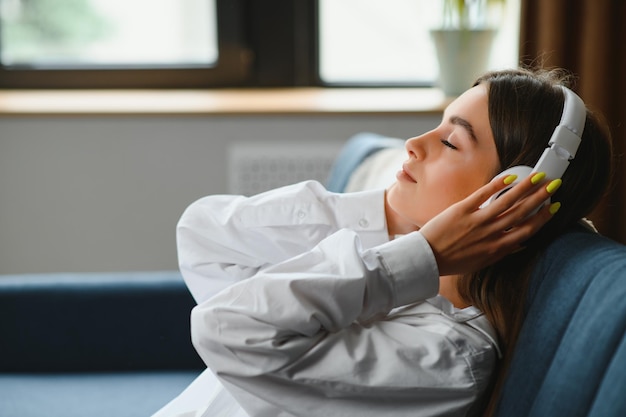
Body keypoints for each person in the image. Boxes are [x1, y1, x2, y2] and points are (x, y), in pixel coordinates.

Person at [159, 68, 613, 417]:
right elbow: (203, 235)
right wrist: (392, 219)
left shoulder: (447, 361)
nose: (414, 143)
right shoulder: (387, 274)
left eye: (451, 142)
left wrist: (426, 254)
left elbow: (226, 330)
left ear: (509, 197)